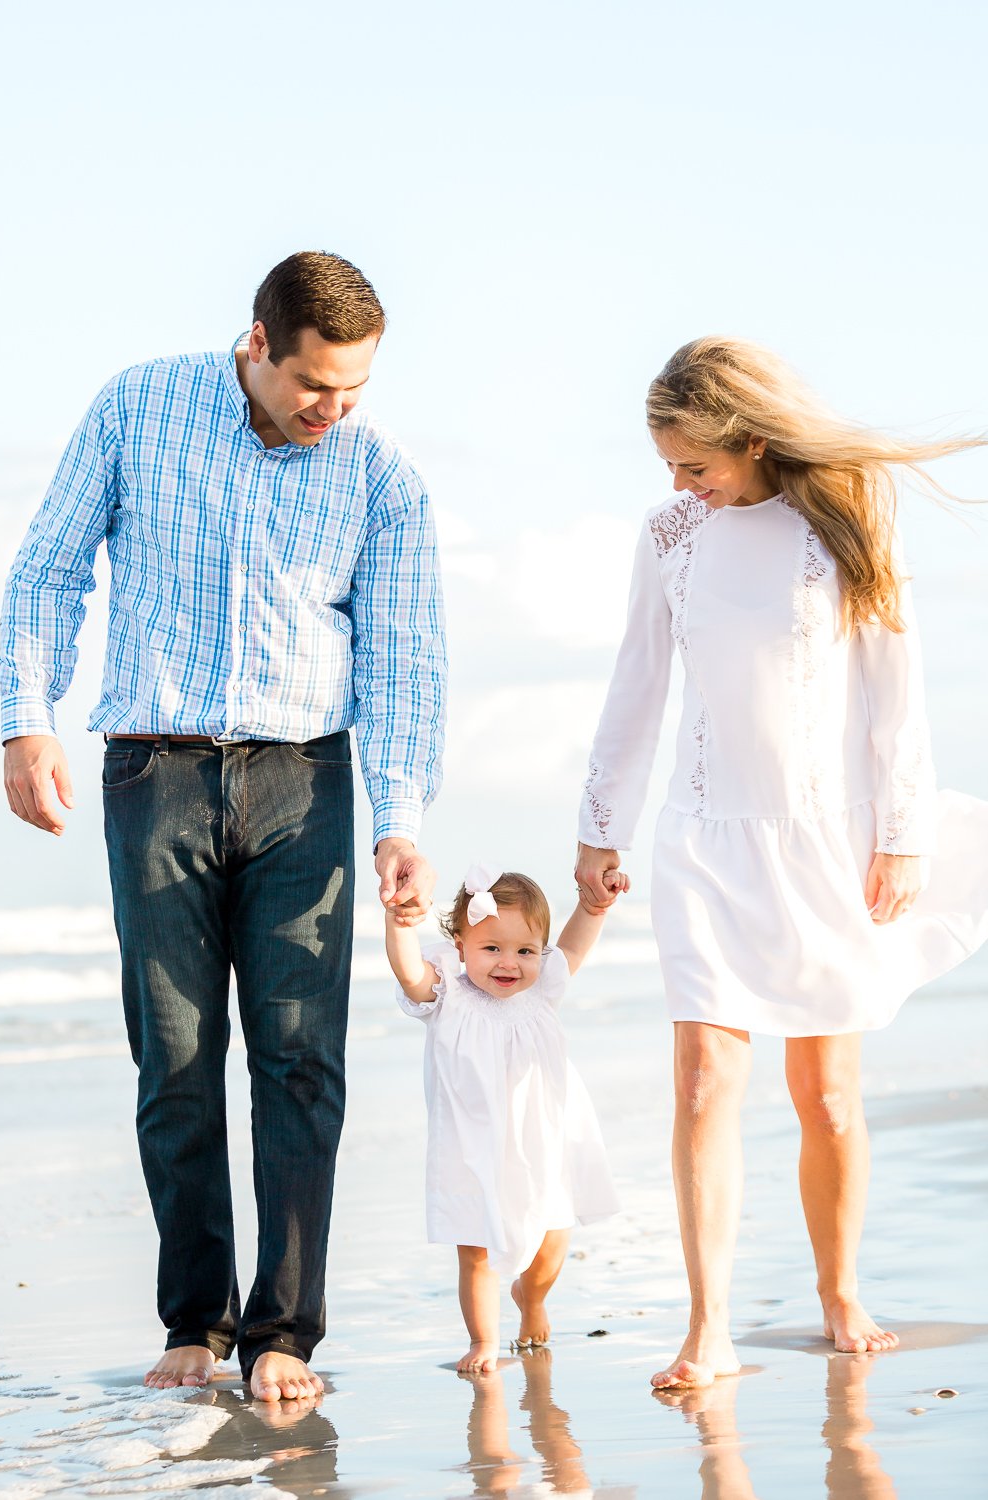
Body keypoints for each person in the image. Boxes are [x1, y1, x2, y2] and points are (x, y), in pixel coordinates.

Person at [0, 251, 447, 1402]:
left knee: (301, 1062)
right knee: (178, 1062)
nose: (333, 410)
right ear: (258, 344)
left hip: (309, 780)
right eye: (314, 385)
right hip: (155, 772)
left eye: (353, 389)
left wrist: (399, 817)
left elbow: (403, 659)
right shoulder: (137, 404)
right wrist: (24, 721)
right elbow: (47, 572)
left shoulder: (380, 474)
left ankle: (285, 1335)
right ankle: (194, 1322)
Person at [574, 337, 988, 1389]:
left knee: (826, 1093)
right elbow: (638, 683)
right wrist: (599, 824)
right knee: (706, 1079)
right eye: (668, 466)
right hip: (705, 839)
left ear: (751, 440)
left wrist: (903, 835)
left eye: (692, 464)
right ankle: (707, 1325)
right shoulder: (668, 535)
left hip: (825, 843)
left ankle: (838, 1289)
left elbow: (897, 683)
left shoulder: (842, 514)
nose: (679, 484)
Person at [386, 862, 623, 1373]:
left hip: (547, 1142)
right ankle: (483, 1340)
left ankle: (531, 1298)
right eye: (491, 948)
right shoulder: (446, 990)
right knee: (475, 1250)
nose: (508, 963)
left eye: (525, 951)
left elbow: (575, 946)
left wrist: (594, 906)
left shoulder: (541, 989)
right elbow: (408, 972)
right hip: (470, 1146)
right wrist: (401, 924)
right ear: (460, 945)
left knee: (552, 1245)